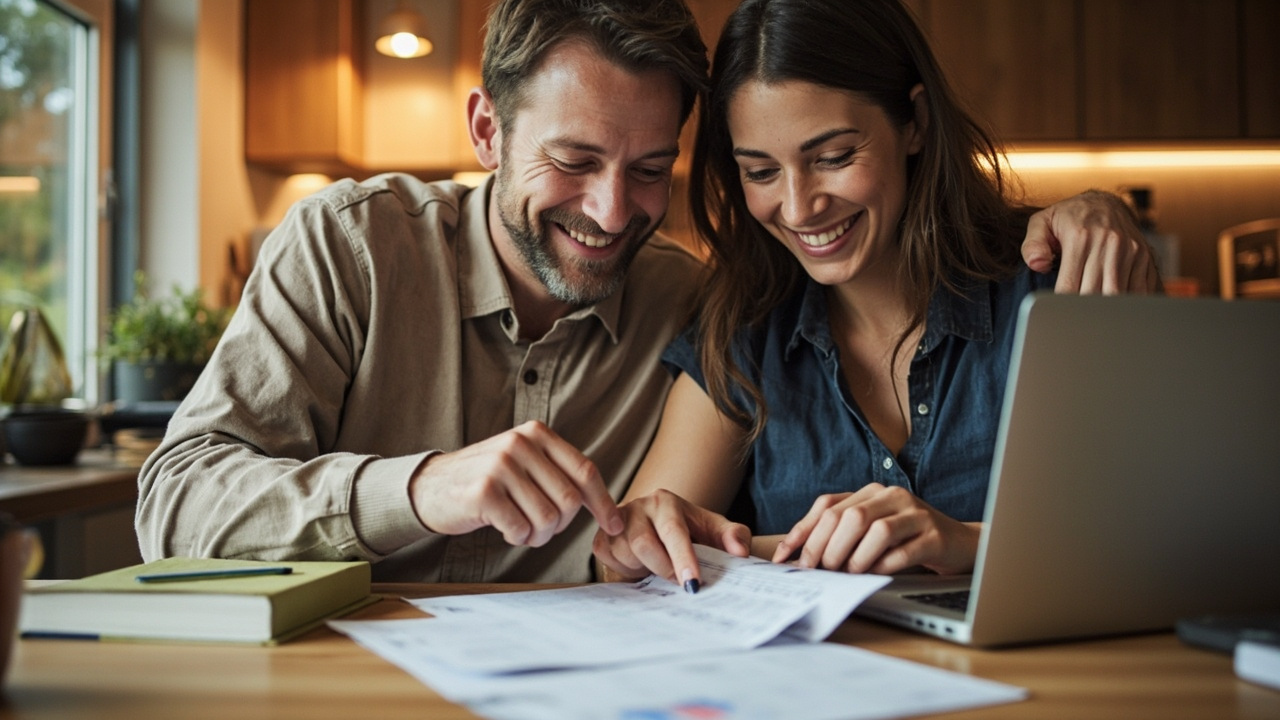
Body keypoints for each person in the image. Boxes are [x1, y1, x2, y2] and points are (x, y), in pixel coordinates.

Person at [137, 0, 1153, 585]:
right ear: (486, 132)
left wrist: (1086, 209)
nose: (611, 210)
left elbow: (645, 542)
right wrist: (419, 489)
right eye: (573, 160)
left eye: (649, 169)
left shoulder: (691, 301)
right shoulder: (350, 248)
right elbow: (174, 507)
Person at [592, 0, 1154, 592]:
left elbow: (1172, 538)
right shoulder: (746, 332)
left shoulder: (1056, 283)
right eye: (761, 172)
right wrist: (644, 537)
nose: (799, 207)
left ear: (914, 122)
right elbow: (623, 566)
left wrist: (967, 542)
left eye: (833, 158)